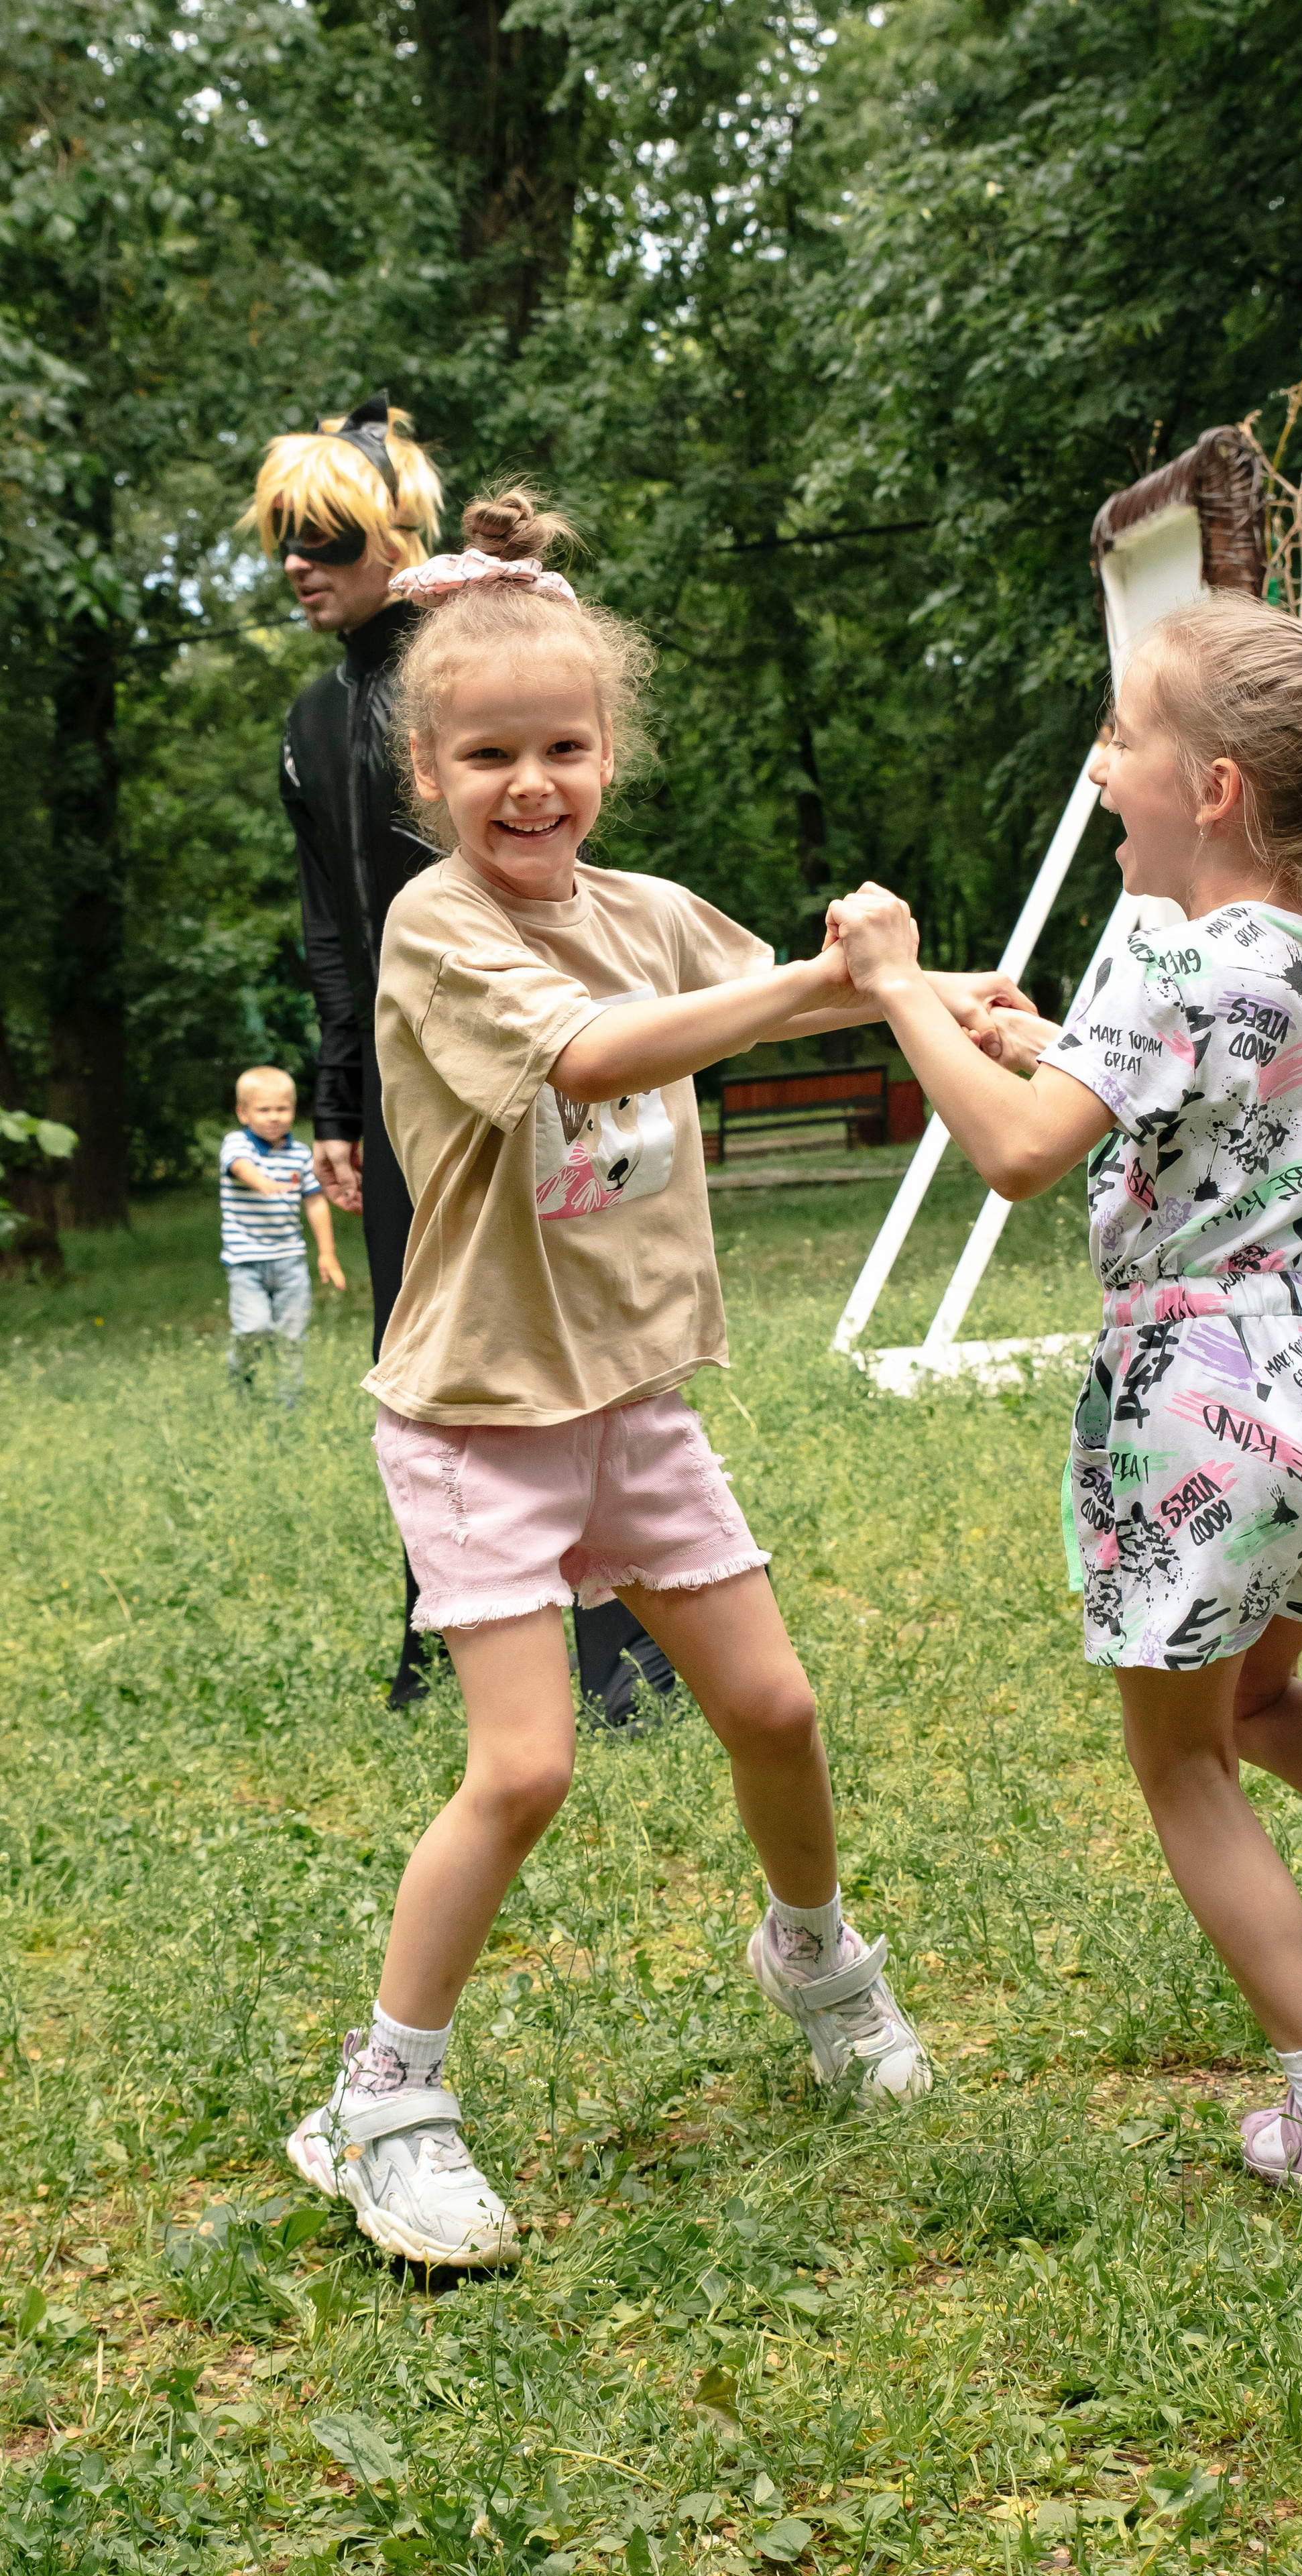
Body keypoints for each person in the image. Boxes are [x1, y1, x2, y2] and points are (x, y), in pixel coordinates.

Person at [285, 491, 1034, 2264]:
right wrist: (824, 986)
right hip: (481, 1420)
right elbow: (598, 1055)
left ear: (607, 753)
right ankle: (381, 2097)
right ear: (426, 777)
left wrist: (943, 994)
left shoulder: (643, 906)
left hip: (632, 1399)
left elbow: (786, 996)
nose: (528, 782)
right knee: (527, 1766)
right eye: (487, 755)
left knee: (772, 1707)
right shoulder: (438, 933)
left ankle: (816, 1958)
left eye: (562, 746)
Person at [825, 510, 1302, 2198]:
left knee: (1181, 1756)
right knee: (1267, 1698)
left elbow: (1024, 1154)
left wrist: (894, 989)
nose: (1099, 766)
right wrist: (1048, 1044)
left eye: (1120, 740)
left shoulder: (1173, 951)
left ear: (1214, 790)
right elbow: (1195, 1111)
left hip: (1188, 1401)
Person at [244, 395, 674, 1717]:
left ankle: (621, 1643)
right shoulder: (314, 723)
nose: (299, 566)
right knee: (421, 1353)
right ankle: (445, 1626)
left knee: (566, 1329)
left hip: (536, 1054)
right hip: (396, 1087)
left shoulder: (466, 667)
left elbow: (560, 846)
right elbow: (332, 928)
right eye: (282, 544)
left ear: (393, 529)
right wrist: (333, 1102)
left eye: (323, 536)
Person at [220, 1066, 345, 1400]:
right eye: (264, 1110)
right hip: (246, 1262)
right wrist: (262, 1182)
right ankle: (240, 1382)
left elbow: (316, 1202)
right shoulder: (236, 1144)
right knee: (253, 1328)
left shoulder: (301, 1154)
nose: (274, 1117)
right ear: (243, 1114)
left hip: (290, 1260)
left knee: (292, 1335)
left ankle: (290, 1399)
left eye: (282, 1109)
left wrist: (327, 1253)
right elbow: (240, 1167)